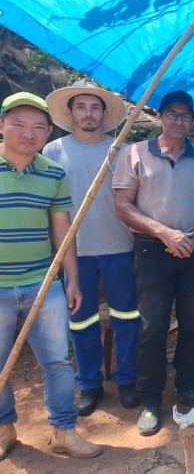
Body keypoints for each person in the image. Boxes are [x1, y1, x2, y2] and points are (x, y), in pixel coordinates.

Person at [113, 90, 194, 436]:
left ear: (192, 121)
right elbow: (122, 205)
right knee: (152, 326)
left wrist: (193, 237)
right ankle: (149, 400)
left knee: (192, 322)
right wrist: (165, 234)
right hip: (152, 250)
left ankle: (187, 387)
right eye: (172, 114)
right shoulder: (134, 154)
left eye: (185, 116)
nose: (179, 121)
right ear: (159, 117)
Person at [0, 92, 103, 459]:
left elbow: (63, 231)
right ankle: (4, 428)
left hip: (42, 284)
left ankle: (64, 430)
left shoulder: (52, 172)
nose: (29, 133)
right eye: (19, 125)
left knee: (58, 361)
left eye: (38, 127)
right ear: (1, 126)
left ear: (47, 131)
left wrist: (71, 280)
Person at [43, 80, 140, 416]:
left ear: (103, 113)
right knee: (80, 321)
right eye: (81, 107)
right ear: (70, 113)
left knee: (126, 316)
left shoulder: (121, 150)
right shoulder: (53, 152)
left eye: (95, 107)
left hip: (117, 247)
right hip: (74, 252)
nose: (88, 113)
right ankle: (89, 384)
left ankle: (126, 379)